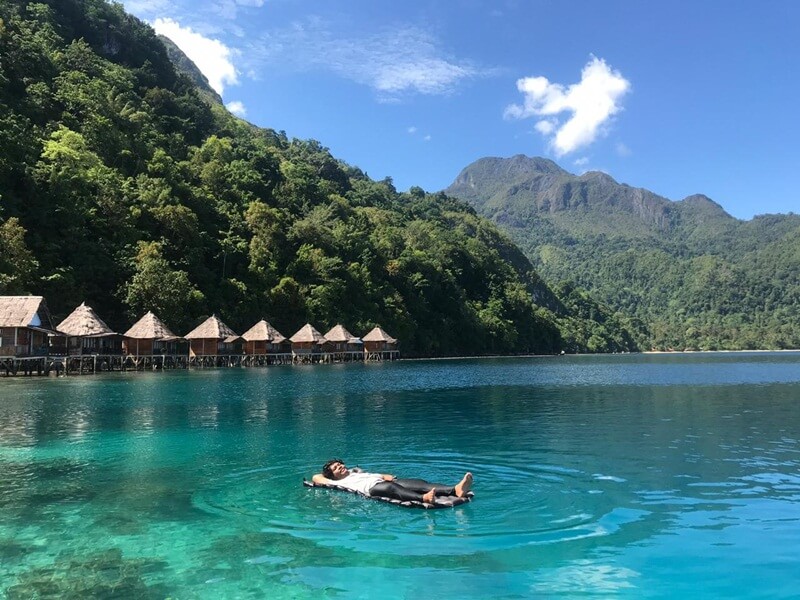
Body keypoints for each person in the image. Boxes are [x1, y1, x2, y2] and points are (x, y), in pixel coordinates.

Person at [311, 458, 472, 504]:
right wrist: (329, 477)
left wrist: (383, 475)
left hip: (378, 481)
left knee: (418, 482)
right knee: (390, 487)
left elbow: (372, 475)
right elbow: (315, 478)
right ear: (331, 475)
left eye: (341, 464)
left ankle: (455, 489)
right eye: (336, 468)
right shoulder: (334, 483)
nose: (341, 467)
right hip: (372, 489)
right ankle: (423, 498)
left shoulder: (353, 472)